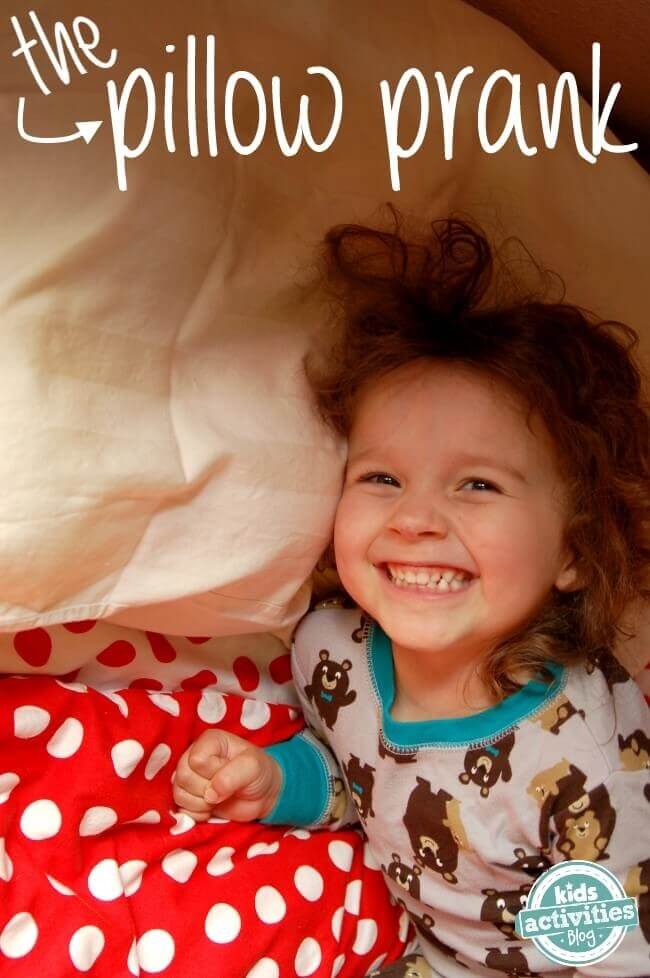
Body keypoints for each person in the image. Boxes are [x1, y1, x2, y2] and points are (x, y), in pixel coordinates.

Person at [173, 215, 650, 977]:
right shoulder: (329, 651)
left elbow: (613, 958)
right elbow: (364, 783)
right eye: (382, 478)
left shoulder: (585, 764)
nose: (416, 519)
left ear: (572, 550)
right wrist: (276, 781)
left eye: (478, 484)